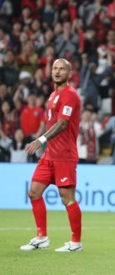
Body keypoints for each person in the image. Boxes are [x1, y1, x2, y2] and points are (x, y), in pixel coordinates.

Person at [20, 58, 83, 252]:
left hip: (64, 155)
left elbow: (63, 123)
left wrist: (40, 140)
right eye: (55, 68)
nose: (57, 71)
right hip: (49, 155)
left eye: (62, 69)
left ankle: (75, 242)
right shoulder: (53, 95)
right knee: (34, 192)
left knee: (67, 197)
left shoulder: (70, 95)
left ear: (69, 73)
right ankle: (42, 237)